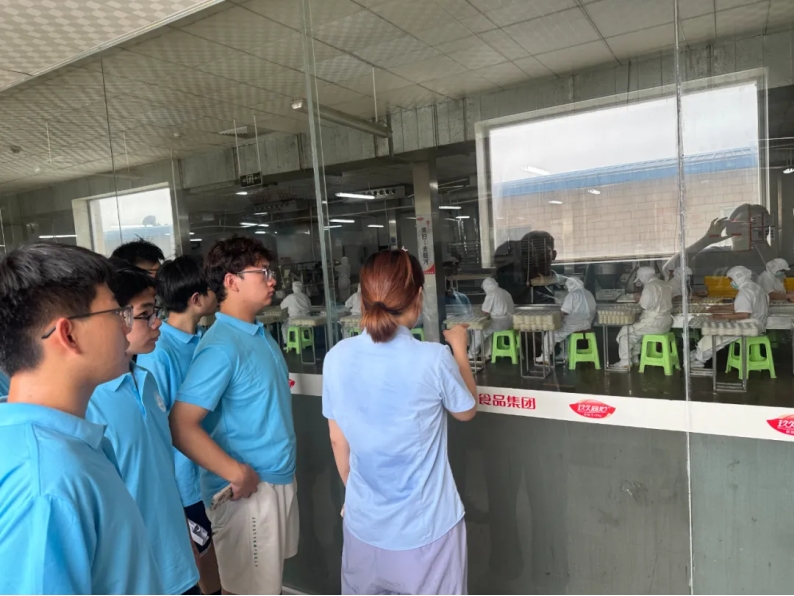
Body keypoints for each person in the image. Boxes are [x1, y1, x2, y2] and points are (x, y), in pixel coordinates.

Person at [0, 243, 163, 594]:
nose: (126, 328)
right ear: (68, 334)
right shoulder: (48, 484)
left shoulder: (56, 445)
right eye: (117, 313)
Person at [322, 249, 477, 595]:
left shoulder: (336, 357)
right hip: (426, 533)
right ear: (418, 297)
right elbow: (466, 410)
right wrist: (459, 349)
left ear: (363, 298)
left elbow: (337, 439)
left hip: (362, 526)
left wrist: (357, 495)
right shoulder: (433, 358)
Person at [170, 237, 298, 596]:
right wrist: (236, 473)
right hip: (248, 493)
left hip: (274, 481)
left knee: (266, 586)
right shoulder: (221, 345)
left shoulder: (257, 335)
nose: (273, 280)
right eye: (263, 272)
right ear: (231, 281)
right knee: (246, 590)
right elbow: (181, 424)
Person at [86, 260, 199, 595]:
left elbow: (159, 474)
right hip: (133, 575)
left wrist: (184, 539)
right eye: (145, 314)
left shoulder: (147, 382)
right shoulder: (87, 402)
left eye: (155, 311)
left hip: (176, 563)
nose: (157, 322)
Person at [138, 256, 221, 595]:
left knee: (222, 563)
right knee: (202, 568)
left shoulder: (203, 341)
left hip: (212, 473)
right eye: (213, 288)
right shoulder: (159, 352)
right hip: (186, 483)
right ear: (196, 299)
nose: (219, 293)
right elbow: (160, 428)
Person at [663, 204, 775, 278]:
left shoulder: (765, 258)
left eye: (751, 225)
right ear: (728, 227)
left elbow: (780, 279)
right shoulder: (712, 255)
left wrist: (760, 241)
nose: (744, 228)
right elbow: (669, 270)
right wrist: (706, 240)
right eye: (738, 223)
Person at [690, 266, 769, 367]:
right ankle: (698, 354)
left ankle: (699, 359)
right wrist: (718, 308)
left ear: (739, 277)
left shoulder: (745, 292)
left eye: (731, 279)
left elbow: (744, 314)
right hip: (758, 323)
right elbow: (740, 306)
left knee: (714, 334)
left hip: (749, 325)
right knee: (718, 331)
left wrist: (721, 316)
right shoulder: (754, 287)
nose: (731, 283)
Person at [613, 266, 673, 369]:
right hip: (666, 322)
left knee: (625, 334)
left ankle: (625, 362)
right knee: (636, 333)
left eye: (640, 278)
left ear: (644, 276)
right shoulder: (664, 284)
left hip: (654, 322)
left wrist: (638, 298)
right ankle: (635, 359)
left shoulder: (650, 286)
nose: (640, 281)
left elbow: (645, 305)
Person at [538, 276, 596, 363]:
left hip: (574, 326)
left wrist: (556, 317)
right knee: (563, 332)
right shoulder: (588, 293)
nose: (567, 287)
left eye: (568, 285)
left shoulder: (572, 295)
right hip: (587, 324)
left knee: (550, 334)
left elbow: (564, 312)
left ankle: (545, 357)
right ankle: (565, 354)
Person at [470, 277, 515, 359]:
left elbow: (484, 311)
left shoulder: (492, 294)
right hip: (510, 322)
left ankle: (472, 354)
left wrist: (478, 311)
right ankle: (487, 353)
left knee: (478, 331)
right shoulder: (505, 292)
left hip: (499, 323)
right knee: (487, 331)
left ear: (486, 286)